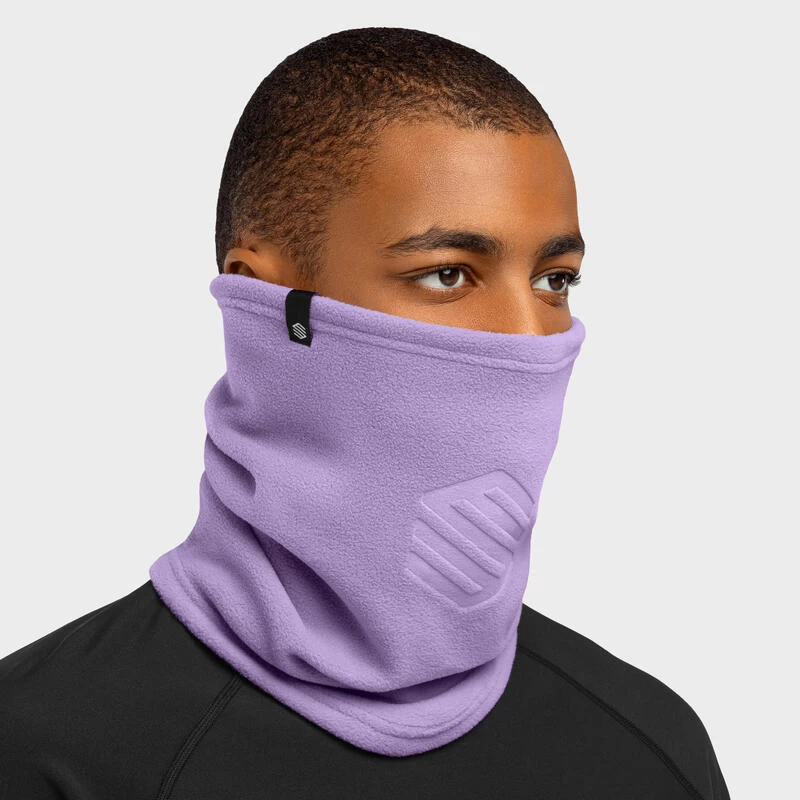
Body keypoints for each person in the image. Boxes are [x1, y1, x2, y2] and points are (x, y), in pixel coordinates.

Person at [0, 26, 730, 798]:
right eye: (448, 274)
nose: (527, 340)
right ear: (266, 304)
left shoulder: (648, 749)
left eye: (555, 280)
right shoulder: (44, 750)